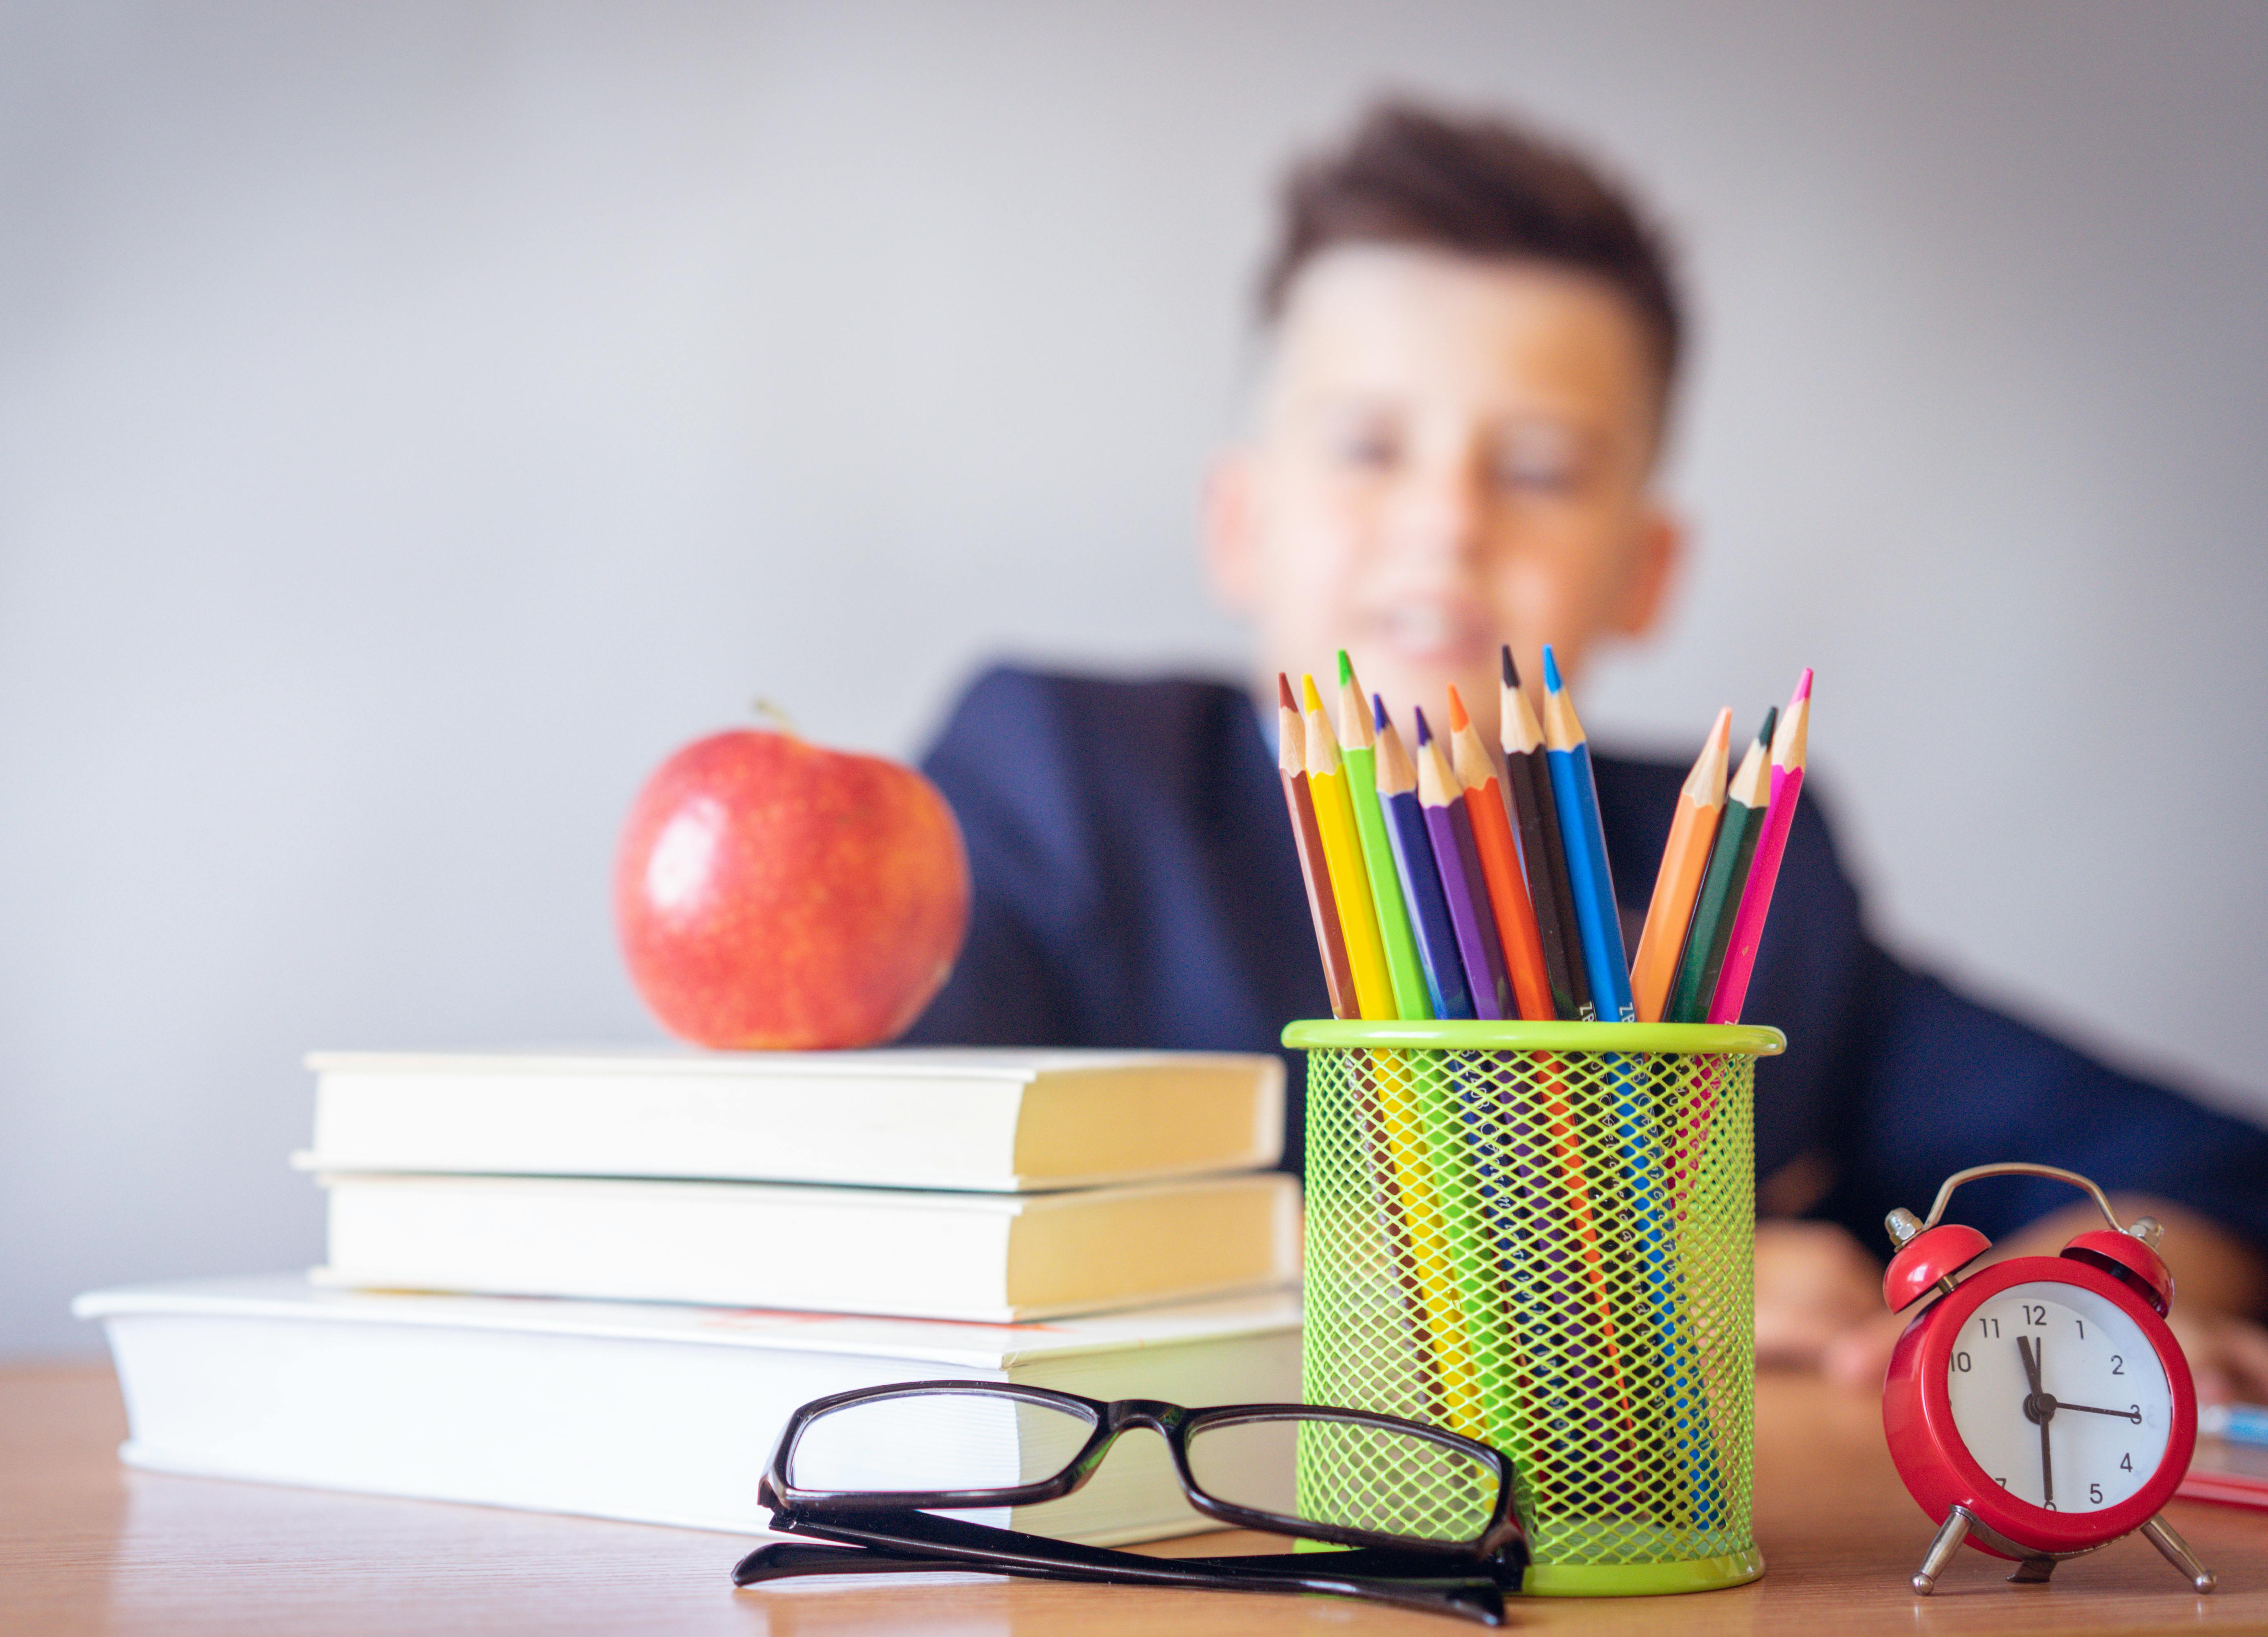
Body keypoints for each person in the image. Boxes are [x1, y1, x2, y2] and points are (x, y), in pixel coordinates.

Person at [902, 99, 2268, 1400]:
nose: (1446, 521)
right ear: (1239, 524)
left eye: (1542, 469)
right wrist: (1618, 1290)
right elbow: (896, 1192)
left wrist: (2073, 1301)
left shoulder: (1736, 870)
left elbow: (2195, 1165)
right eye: (1369, 447)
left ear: (1646, 571)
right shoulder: (1062, 777)